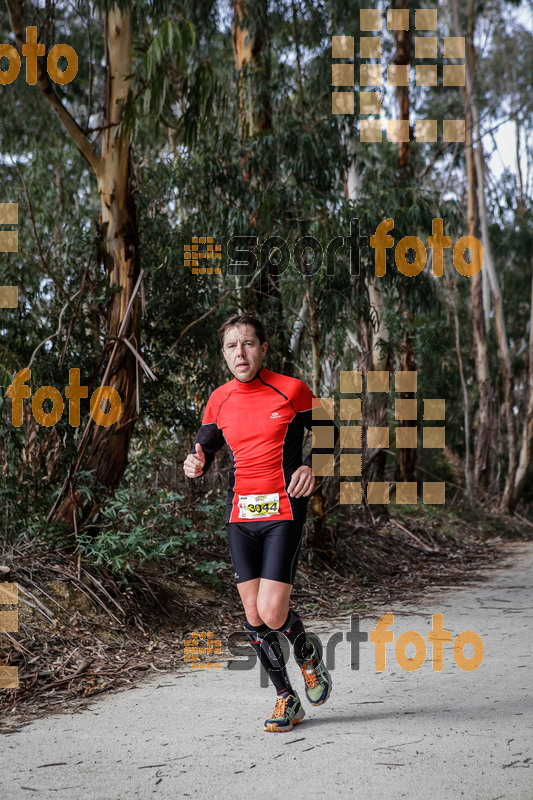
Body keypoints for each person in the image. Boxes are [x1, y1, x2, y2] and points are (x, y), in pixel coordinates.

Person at [183, 313, 336, 732]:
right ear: (224, 355)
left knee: (272, 609)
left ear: (263, 348)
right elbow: (204, 449)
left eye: (248, 343)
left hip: (284, 510)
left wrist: (312, 466)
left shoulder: (291, 390)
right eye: (232, 346)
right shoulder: (219, 399)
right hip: (240, 515)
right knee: (253, 614)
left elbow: (329, 433)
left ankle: (308, 658)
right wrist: (194, 463)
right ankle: (286, 700)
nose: (240, 353)